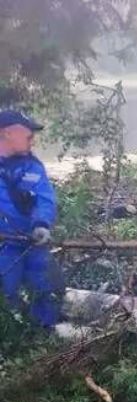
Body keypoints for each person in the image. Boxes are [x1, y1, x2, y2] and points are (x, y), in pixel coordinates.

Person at [0, 110, 59, 329]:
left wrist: (41, 224)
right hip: (4, 247)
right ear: (7, 133)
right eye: (28, 134)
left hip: (32, 242)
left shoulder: (33, 166)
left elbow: (44, 199)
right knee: (7, 294)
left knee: (45, 289)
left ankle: (44, 335)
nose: (32, 140)